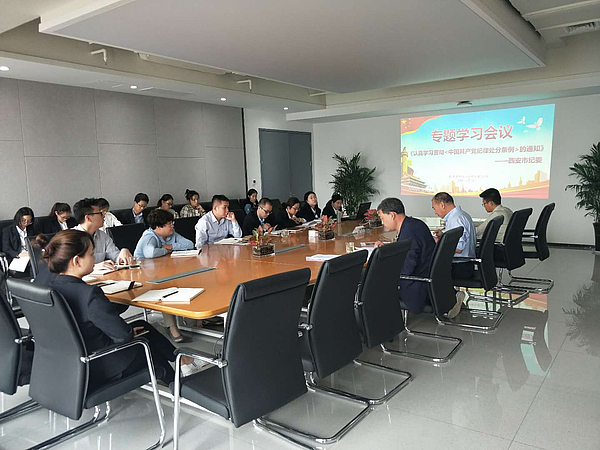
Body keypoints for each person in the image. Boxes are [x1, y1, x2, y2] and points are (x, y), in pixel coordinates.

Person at [32, 230, 200, 387]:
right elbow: (123, 336)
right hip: (100, 363)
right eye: (91, 254)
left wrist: (127, 331)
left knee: (143, 327)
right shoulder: (88, 294)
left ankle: (183, 364)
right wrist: (128, 332)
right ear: (76, 261)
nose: (94, 259)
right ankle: (178, 385)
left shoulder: (47, 288)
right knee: (146, 344)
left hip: (68, 363)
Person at [133, 209, 194, 343]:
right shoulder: (149, 236)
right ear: (158, 227)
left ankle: (197, 318)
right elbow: (150, 253)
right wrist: (165, 250)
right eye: (169, 224)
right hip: (144, 276)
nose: (172, 226)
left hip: (163, 270)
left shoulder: (171, 234)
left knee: (188, 280)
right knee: (166, 288)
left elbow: (190, 244)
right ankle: (172, 327)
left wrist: (171, 246)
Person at [374, 198, 435, 314]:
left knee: (372, 279)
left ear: (392, 215)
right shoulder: (415, 224)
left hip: (415, 287)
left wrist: (384, 262)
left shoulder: (408, 233)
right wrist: (388, 250)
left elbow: (406, 268)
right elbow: (408, 251)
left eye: (382, 218)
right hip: (427, 280)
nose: (382, 222)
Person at [431, 192, 477, 318]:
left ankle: (450, 300)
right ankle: (452, 296)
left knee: (429, 270)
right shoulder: (460, 215)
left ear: (442, 205)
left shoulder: (456, 219)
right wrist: (444, 234)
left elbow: (458, 248)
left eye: (434, 208)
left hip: (461, 266)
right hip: (465, 263)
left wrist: (438, 242)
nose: (435, 212)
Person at [72, 198, 133, 271]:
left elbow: (116, 256)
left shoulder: (102, 236)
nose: (104, 216)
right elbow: (69, 268)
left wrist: (123, 252)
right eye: (100, 213)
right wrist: (93, 267)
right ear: (88, 218)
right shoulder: (70, 238)